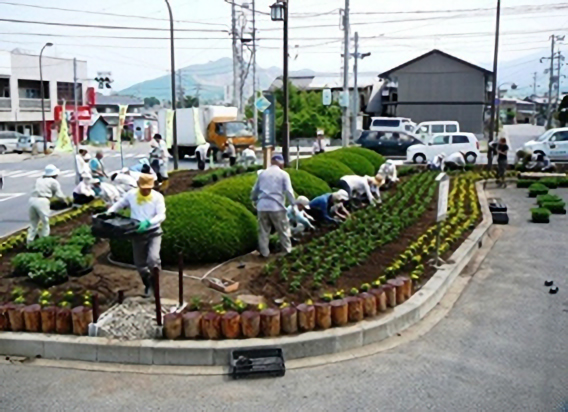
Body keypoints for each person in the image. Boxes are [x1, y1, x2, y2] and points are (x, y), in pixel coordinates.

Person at [108, 173, 166, 296]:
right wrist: (110, 212)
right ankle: (148, 284)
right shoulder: (131, 195)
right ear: (139, 186)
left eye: (148, 189)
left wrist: (148, 222)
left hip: (153, 232)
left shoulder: (157, 197)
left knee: (153, 259)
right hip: (137, 233)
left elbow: (161, 215)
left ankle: (156, 282)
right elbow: (120, 204)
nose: (146, 191)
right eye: (143, 188)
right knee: (140, 264)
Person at [250, 154, 295, 258]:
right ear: (281, 163)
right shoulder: (283, 174)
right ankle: (287, 251)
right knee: (283, 230)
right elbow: (288, 191)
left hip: (262, 206)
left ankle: (264, 253)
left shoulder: (262, 174)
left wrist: (253, 199)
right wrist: (293, 204)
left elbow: (255, 190)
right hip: (277, 206)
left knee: (263, 231)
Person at [27, 165, 68, 244]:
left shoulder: (38, 180)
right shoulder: (53, 182)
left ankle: (30, 240)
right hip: (43, 201)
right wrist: (65, 201)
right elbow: (59, 195)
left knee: (33, 223)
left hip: (32, 200)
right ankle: (44, 240)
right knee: (45, 222)